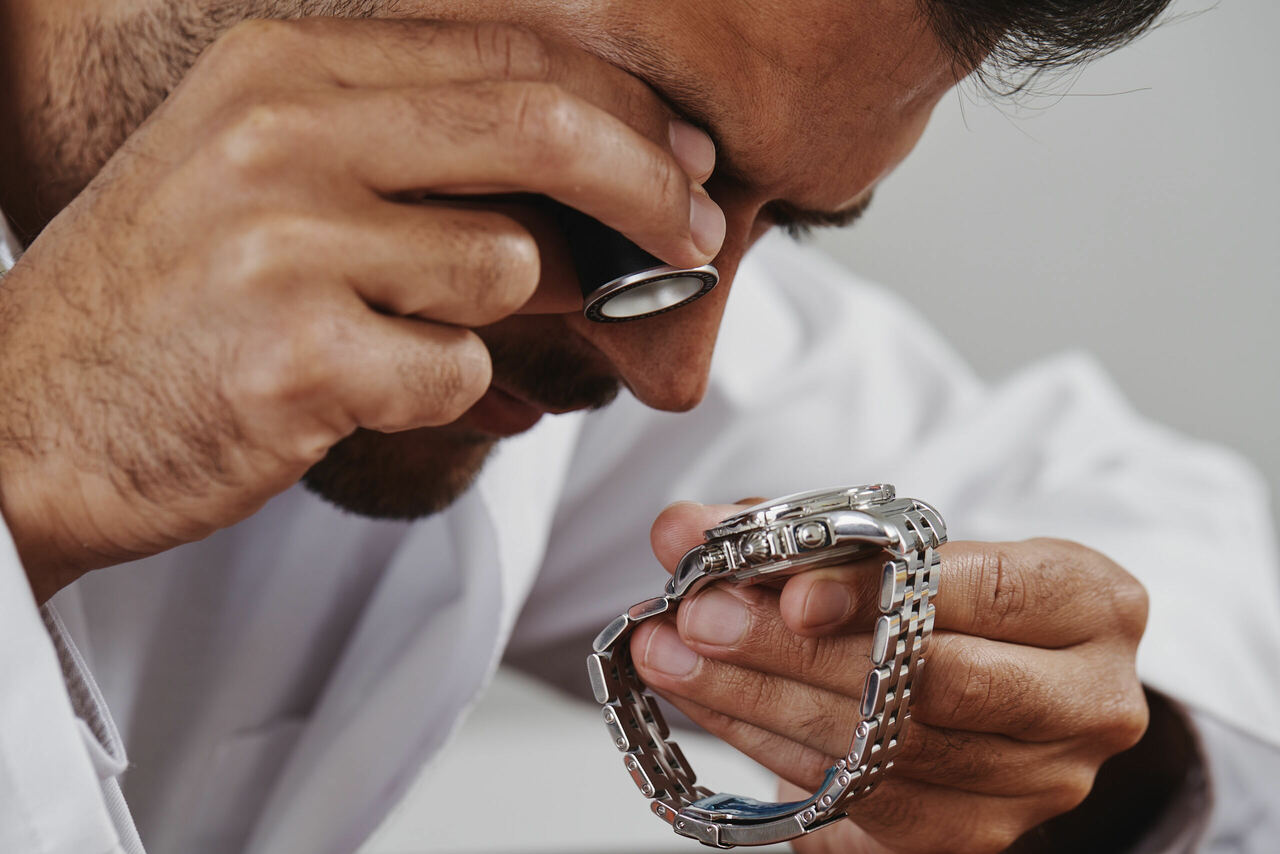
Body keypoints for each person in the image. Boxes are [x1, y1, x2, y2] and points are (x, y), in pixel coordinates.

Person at [1, 2, 1277, 853]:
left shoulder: (589, 297)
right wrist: (32, 443)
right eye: (620, 181)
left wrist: (1047, 746)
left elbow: (1134, 520)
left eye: (769, 222)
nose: (675, 371)